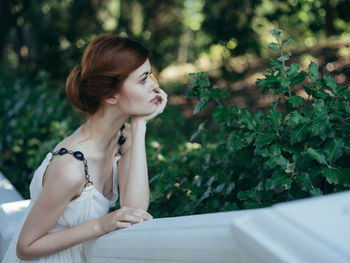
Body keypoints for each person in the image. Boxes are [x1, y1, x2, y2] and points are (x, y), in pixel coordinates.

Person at [2, 34, 167, 262]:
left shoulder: (124, 136)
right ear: (111, 95)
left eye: (150, 76)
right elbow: (26, 247)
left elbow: (135, 209)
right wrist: (101, 224)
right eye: (143, 79)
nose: (155, 86)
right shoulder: (71, 166)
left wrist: (140, 126)